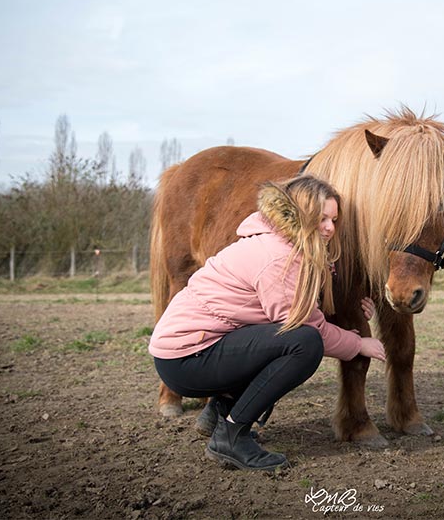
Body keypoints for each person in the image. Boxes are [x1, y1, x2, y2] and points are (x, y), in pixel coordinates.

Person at [149, 175, 385, 471]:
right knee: (303, 343)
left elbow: (300, 304)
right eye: (321, 218)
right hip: (187, 357)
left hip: (192, 349)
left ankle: (219, 413)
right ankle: (231, 436)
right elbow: (303, 323)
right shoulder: (278, 257)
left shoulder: (281, 245)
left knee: (282, 341)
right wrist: (358, 343)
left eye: (334, 220)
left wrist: (355, 304)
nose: (329, 228)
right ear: (299, 214)